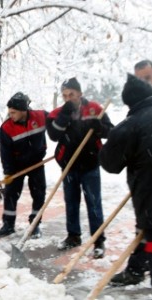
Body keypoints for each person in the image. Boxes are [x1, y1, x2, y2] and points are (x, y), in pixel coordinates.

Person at [46, 77, 113, 259]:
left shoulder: (95, 109)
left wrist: (98, 127)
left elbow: (110, 131)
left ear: (80, 94)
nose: (68, 98)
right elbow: (53, 135)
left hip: (90, 164)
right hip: (68, 165)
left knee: (93, 203)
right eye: (65, 95)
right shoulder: (57, 113)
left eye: (72, 94)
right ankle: (73, 236)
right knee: (71, 202)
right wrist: (64, 115)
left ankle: (98, 241)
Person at [99, 74, 152, 286]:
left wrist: (108, 136)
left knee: (149, 233)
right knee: (148, 233)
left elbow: (110, 164)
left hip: (148, 189)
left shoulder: (130, 125)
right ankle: (137, 268)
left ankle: (137, 269)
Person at [0, 92, 47, 239]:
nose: (10, 115)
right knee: (10, 194)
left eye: (13, 112)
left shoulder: (40, 117)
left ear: (23, 110)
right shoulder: (6, 127)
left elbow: (57, 122)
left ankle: (35, 224)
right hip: (16, 165)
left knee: (39, 194)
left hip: (36, 163)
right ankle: (8, 225)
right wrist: (8, 173)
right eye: (9, 112)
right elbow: (5, 153)